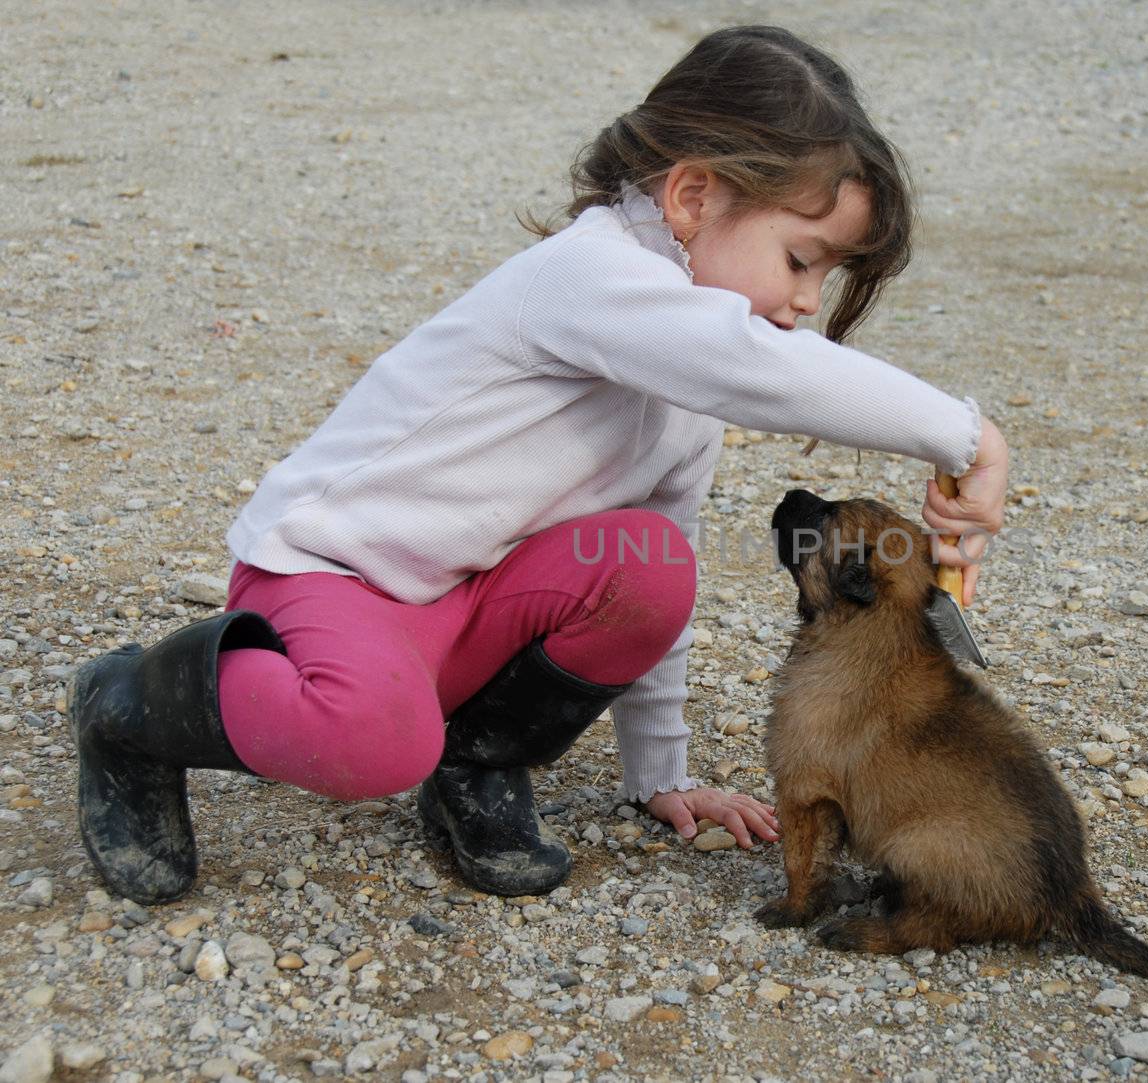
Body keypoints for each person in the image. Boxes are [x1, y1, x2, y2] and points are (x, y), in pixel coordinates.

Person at [69, 24, 1010, 906]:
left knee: (653, 565)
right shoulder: (591, 274)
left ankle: (474, 760)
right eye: (801, 259)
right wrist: (967, 437)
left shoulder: (687, 387)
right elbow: (753, 365)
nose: (806, 301)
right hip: (331, 579)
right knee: (371, 743)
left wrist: (662, 772)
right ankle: (128, 705)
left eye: (826, 280)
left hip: (461, 610)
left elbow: (665, 579)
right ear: (692, 196)